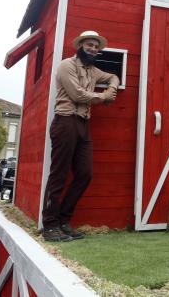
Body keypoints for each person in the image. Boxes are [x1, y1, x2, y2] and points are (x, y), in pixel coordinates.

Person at [41, 30, 119, 242]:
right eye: (89, 45)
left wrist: (111, 89)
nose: (93, 49)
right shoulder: (67, 65)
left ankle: (63, 221)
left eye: (96, 46)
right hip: (65, 121)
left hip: (83, 124)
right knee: (58, 174)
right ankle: (49, 226)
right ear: (81, 46)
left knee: (85, 174)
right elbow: (77, 94)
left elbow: (113, 76)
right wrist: (104, 96)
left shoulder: (93, 71)